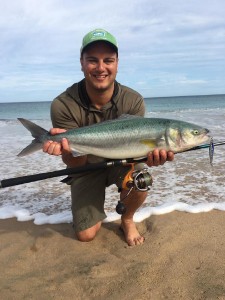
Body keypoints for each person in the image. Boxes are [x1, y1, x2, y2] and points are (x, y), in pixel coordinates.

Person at [43, 29, 174, 246]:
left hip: (121, 163)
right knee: (86, 235)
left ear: (117, 63)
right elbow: (75, 162)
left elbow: (134, 152)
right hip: (84, 167)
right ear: (82, 63)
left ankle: (128, 218)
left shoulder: (133, 101)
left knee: (143, 178)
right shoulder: (63, 104)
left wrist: (150, 157)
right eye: (92, 60)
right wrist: (66, 150)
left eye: (108, 60)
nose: (101, 67)